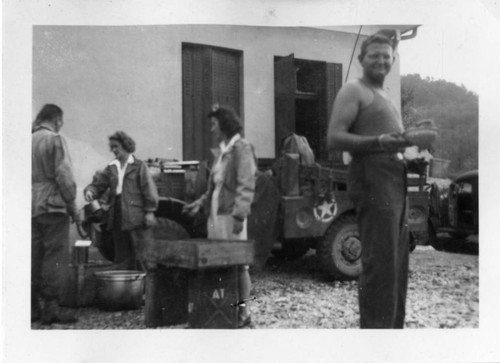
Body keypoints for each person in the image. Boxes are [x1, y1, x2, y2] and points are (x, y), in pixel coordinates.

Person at [327, 32, 426, 328]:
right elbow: (334, 138)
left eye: (386, 56)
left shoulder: (386, 97)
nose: (381, 60)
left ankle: (392, 333)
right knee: (380, 266)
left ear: (392, 59)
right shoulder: (353, 90)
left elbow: (389, 144)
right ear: (361, 60)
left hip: (395, 184)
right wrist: (382, 141)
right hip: (373, 184)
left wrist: (409, 154)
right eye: (375, 56)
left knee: (396, 265)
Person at [183, 106, 257, 328]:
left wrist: (239, 217)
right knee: (219, 262)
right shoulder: (224, 151)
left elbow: (246, 185)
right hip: (216, 217)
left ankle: (244, 312)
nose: (212, 129)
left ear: (224, 125)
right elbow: (215, 187)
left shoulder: (242, 149)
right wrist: (199, 204)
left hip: (230, 217)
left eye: (214, 124)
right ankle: (222, 311)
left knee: (239, 264)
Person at [32, 104, 80, 324]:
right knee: (55, 257)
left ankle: (31, 307)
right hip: (52, 205)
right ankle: (51, 308)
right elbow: (64, 176)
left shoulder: (28, 139)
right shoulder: (54, 139)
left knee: (34, 254)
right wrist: (72, 206)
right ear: (57, 120)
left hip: (30, 204)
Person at [84, 131, 159, 270]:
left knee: (142, 256)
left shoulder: (139, 166)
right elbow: (98, 184)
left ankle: (146, 290)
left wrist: (150, 212)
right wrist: (90, 191)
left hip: (136, 216)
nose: (113, 150)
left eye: (116, 146)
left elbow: (148, 189)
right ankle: (125, 289)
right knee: (121, 256)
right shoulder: (112, 167)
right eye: (111, 147)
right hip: (117, 214)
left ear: (125, 145)